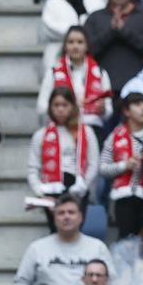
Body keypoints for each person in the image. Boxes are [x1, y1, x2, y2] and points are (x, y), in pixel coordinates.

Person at [14, 195, 113, 285]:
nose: (66, 217)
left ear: (81, 217)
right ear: (54, 217)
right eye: (61, 213)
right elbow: (20, 283)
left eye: (71, 212)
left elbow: (112, 282)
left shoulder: (98, 248)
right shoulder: (37, 248)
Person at [29, 86, 100, 216]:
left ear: (73, 106)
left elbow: (93, 163)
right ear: (50, 107)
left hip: (78, 187)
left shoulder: (86, 132)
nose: (60, 109)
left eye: (64, 105)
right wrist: (40, 192)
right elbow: (33, 168)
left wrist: (83, 186)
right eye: (56, 105)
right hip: (51, 189)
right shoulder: (41, 135)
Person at [85, 0, 143, 100]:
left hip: (140, 88)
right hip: (104, 90)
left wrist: (124, 31)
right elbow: (87, 51)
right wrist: (111, 31)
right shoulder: (95, 18)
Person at [102, 90, 143, 238]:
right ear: (126, 111)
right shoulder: (114, 136)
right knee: (126, 241)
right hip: (124, 198)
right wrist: (124, 165)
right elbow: (102, 168)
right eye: (137, 104)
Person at [40, 25, 110, 132]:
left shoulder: (101, 73)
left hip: (92, 127)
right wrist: (59, 111)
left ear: (87, 46)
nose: (75, 46)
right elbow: (42, 106)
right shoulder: (53, 72)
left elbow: (109, 111)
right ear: (65, 46)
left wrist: (103, 110)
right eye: (71, 42)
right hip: (62, 128)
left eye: (80, 42)